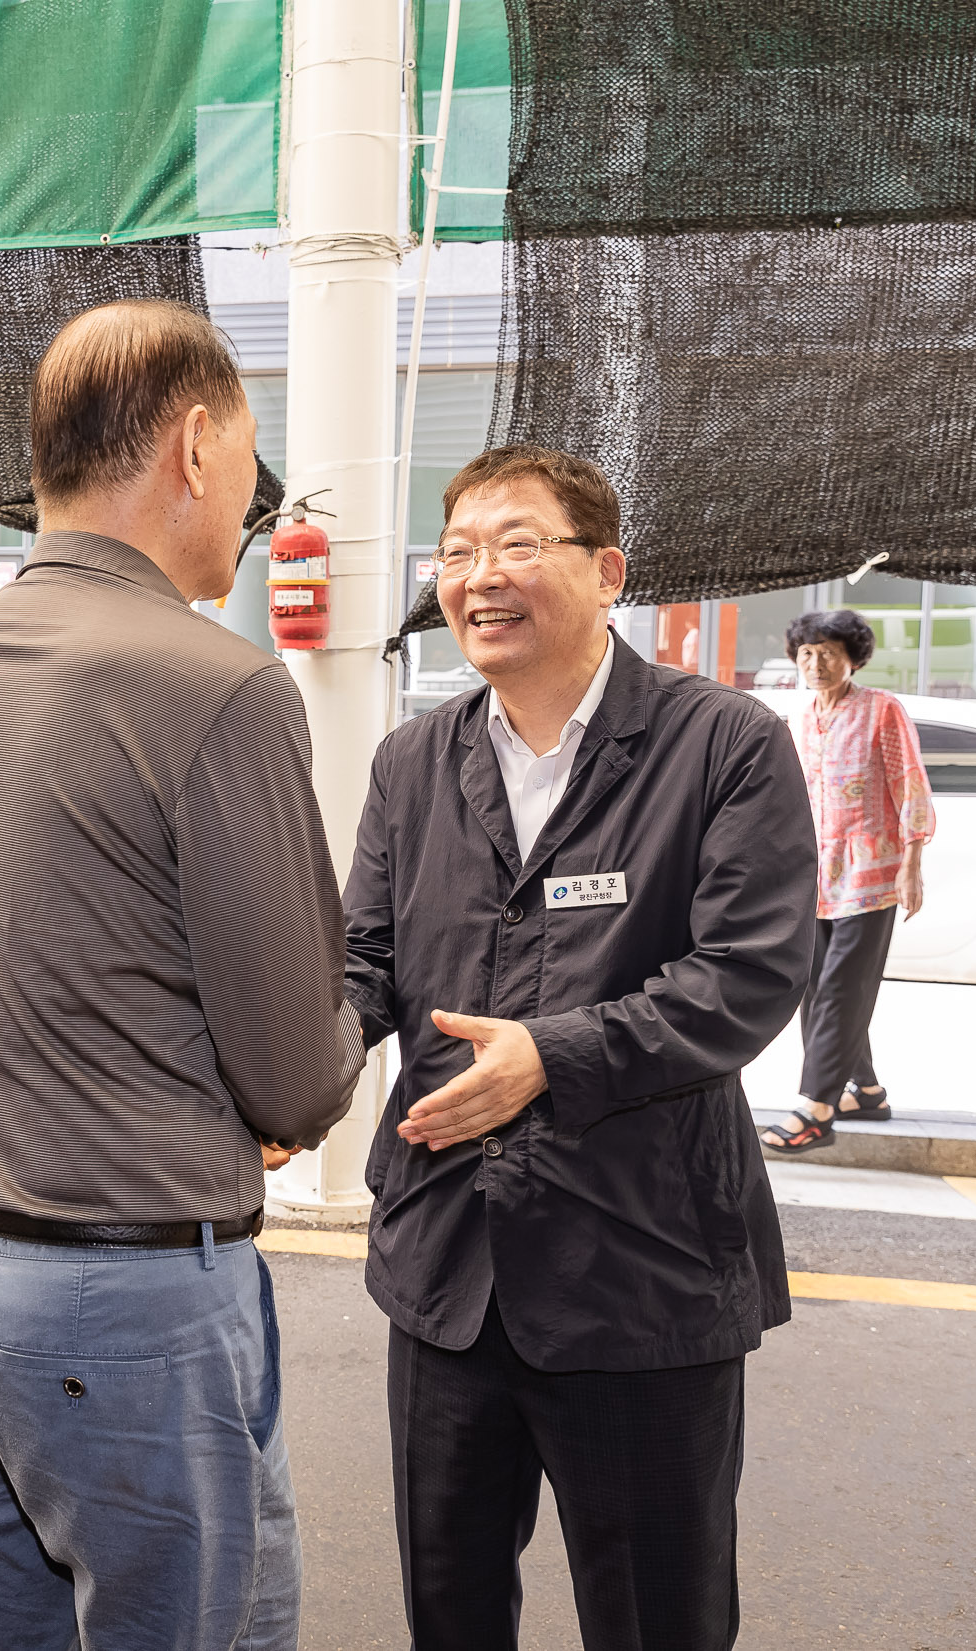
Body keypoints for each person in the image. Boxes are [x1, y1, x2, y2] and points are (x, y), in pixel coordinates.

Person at [0, 299, 364, 1651]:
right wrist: (347, 1013)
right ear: (196, 448)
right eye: (251, 464)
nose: (251, 501)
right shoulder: (218, 682)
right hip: (116, 1291)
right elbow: (291, 1072)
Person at [342, 445, 815, 1649]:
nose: (476, 575)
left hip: (642, 1274)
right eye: (453, 552)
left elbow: (747, 973)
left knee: (659, 1618)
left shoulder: (724, 744)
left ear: (606, 572)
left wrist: (552, 1054)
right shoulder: (412, 761)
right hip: (447, 1273)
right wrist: (277, 1070)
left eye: (514, 543)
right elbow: (363, 963)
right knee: (448, 1611)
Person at [760, 609, 932, 1154]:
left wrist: (912, 864)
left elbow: (909, 785)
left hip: (870, 876)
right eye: (807, 654)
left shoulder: (882, 711)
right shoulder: (798, 718)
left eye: (829, 652)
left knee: (840, 990)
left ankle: (815, 1109)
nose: (816, 664)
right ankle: (869, 1092)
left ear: (852, 657)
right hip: (812, 879)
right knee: (816, 988)